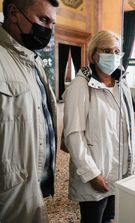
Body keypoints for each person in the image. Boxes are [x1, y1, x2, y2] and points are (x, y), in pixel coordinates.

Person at [62, 30, 135, 223]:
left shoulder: (122, 84)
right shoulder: (81, 86)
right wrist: (92, 174)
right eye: (106, 50)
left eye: (117, 51)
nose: (112, 55)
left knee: (110, 218)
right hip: (96, 173)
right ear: (94, 54)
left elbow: (129, 129)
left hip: (120, 171)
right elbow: (73, 136)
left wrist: (132, 165)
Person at [0, 0, 59, 222]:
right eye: (43, 19)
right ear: (14, 13)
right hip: (9, 200)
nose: (48, 30)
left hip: (31, 191)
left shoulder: (33, 60)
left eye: (52, 23)